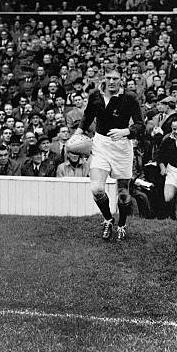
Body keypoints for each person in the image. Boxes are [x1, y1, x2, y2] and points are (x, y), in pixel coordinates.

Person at [72, 68, 145, 241]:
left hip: (121, 147)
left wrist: (126, 131)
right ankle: (108, 219)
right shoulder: (95, 95)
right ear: (104, 78)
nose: (112, 81)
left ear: (122, 79)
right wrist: (78, 133)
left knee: (123, 193)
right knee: (97, 189)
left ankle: (122, 224)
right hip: (100, 144)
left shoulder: (130, 97)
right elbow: (88, 116)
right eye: (109, 78)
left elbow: (140, 125)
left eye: (116, 78)